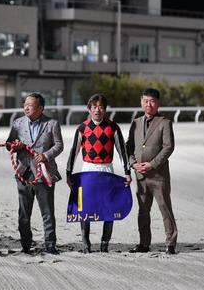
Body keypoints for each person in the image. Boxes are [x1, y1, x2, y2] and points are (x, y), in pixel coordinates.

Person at [66, 94, 131, 253]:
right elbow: (74, 151)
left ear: (105, 109)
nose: (97, 110)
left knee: (109, 207)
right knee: (85, 208)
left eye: (101, 107)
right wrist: (68, 172)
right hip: (87, 169)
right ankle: (86, 242)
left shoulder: (113, 127)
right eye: (94, 107)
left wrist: (127, 172)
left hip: (107, 170)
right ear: (89, 109)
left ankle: (104, 243)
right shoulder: (82, 128)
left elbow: (122, 150)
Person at [6, 93, 63, 255]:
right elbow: (9, 144)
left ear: (40, 108)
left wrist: (45, 155)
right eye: (25, 104)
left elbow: (59, 145)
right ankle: (25, 244)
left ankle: (50, 244)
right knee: (24, 213)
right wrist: (14, 146)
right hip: (23, 173)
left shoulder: (52, 124)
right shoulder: (17, 124)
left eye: (30, 105)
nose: (26, 107)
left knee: (47, 212)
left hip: (44, 173)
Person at [126, 88, 177, 255]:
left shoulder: (165, 122)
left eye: (152, 101)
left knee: (165, 208)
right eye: (146, 101)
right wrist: (133, 164)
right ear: (141, 102)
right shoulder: (136, 122)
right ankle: (144, 243)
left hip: (158, 175)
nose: (149, 104)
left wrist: (152, 164)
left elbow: (168, 147)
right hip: (140, 175)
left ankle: (170, 243)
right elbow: (129, 147)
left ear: (158, 103)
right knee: (142, 211)